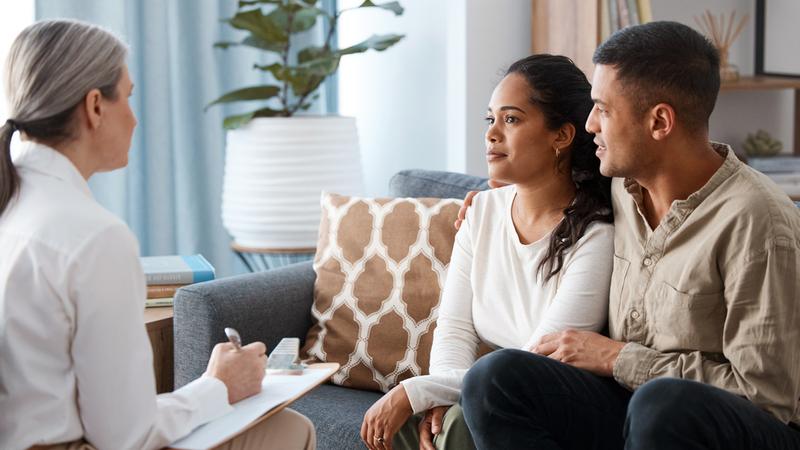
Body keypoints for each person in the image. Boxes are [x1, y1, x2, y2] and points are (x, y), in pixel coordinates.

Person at [459, 21, 800, 449]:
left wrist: (620, 358)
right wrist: (491, 199)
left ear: (659, 121)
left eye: (603, 109)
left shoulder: (759, 221)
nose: (589, 125)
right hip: (628, 407)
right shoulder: (620, 185)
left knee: (660, 405)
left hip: (727, 427)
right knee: (497, 377)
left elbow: (766, 398)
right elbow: (553, 175)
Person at [0, 20, 315, 450]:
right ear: (94, 106)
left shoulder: (16, 206)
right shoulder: (93, 238)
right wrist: (218, 385)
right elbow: (126, 436)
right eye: (127, 98)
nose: (134, 118)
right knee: (288, 430)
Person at [360, 54, 615, 450]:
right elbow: (456, 327)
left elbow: (537, 362)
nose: (492, 133)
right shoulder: (480, 211)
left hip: (548, 402)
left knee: (462, 422)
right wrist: (437, 398)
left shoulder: (596, 233)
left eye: (511, 119)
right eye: (490, 119)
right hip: (484, 391)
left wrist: (418, 390)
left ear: (561, 136)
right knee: (420, 425)